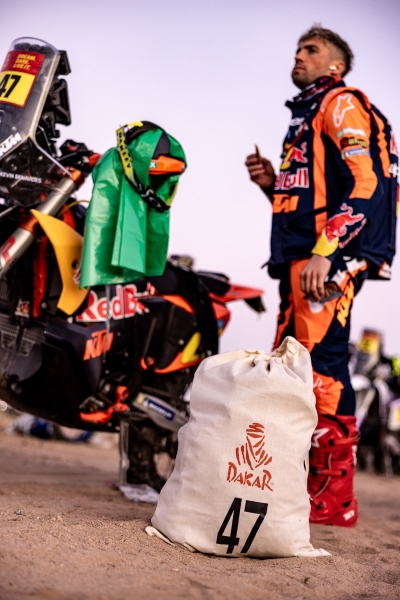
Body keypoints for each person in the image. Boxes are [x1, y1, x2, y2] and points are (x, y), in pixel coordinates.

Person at [245, 25, 398, 527]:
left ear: (335, 65)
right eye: (297, 49)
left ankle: (333, 501)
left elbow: (368, 182)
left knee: (324, 368)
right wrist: (272, 185)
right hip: (302, 261)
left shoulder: (340, 102)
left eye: (310, 50)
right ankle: (297, 486)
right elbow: (309, 201)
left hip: (324, 264)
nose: (299, 56)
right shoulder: (306, 116)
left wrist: (327, 253)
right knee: (294, 370)